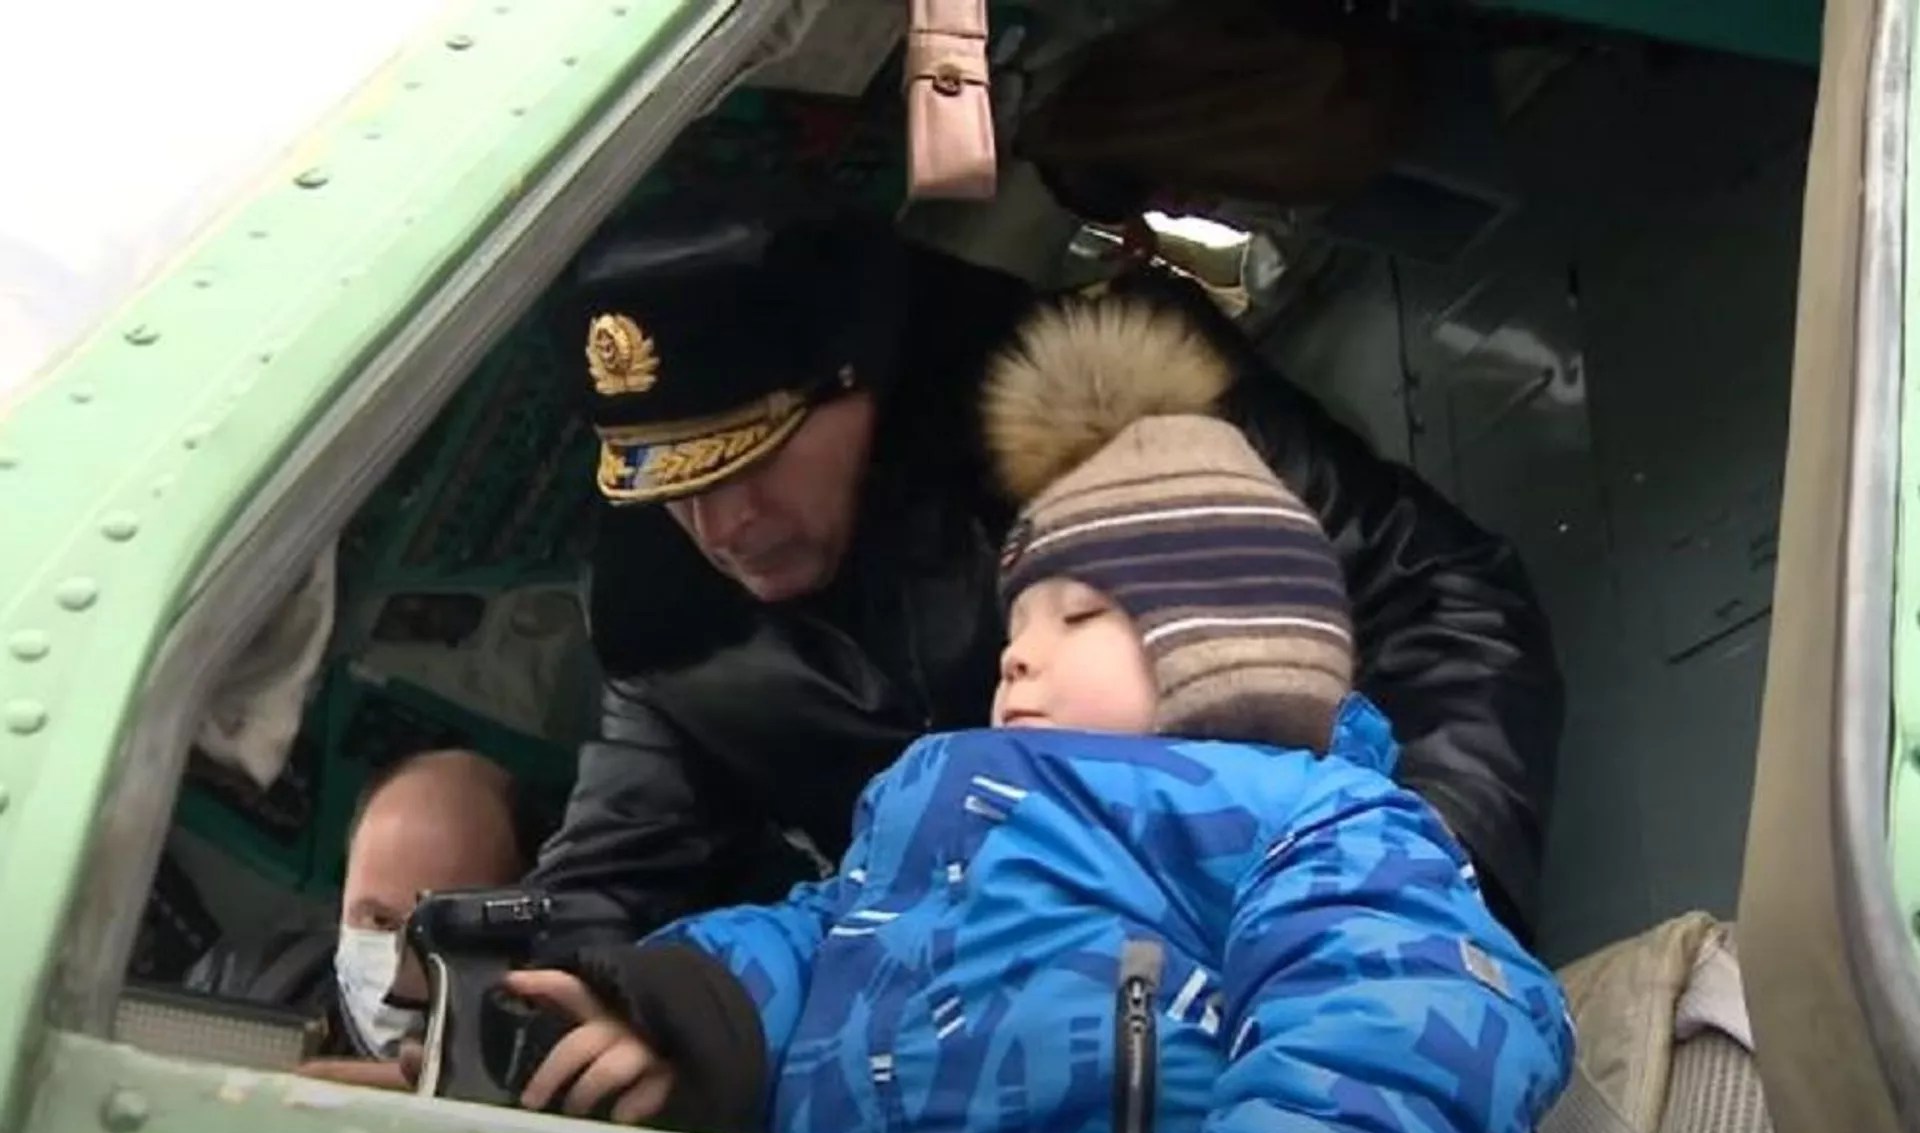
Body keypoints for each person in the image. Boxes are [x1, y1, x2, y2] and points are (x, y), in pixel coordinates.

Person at [500, 293, 1574, 1133]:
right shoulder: (920, 811)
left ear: (1216, 641)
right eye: (1014, 623)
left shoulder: (1310, 823)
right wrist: (683, 1009)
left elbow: (1397, 1031)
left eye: (1080, 615)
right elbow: (819, 935)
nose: (1016, 654)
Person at [526, 205, 1563, 951]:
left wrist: (1415, 897)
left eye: (752, 459)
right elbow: (611, 874)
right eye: (674, 486)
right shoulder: (669, 633)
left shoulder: (1124, 431)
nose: (720, 526)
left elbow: (1441, 601)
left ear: (861, 376)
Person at [295, 749, 525, 1090]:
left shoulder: (541, 1061)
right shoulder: (249, 984)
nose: (400, 983)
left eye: (442, 930)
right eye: (380, 920)